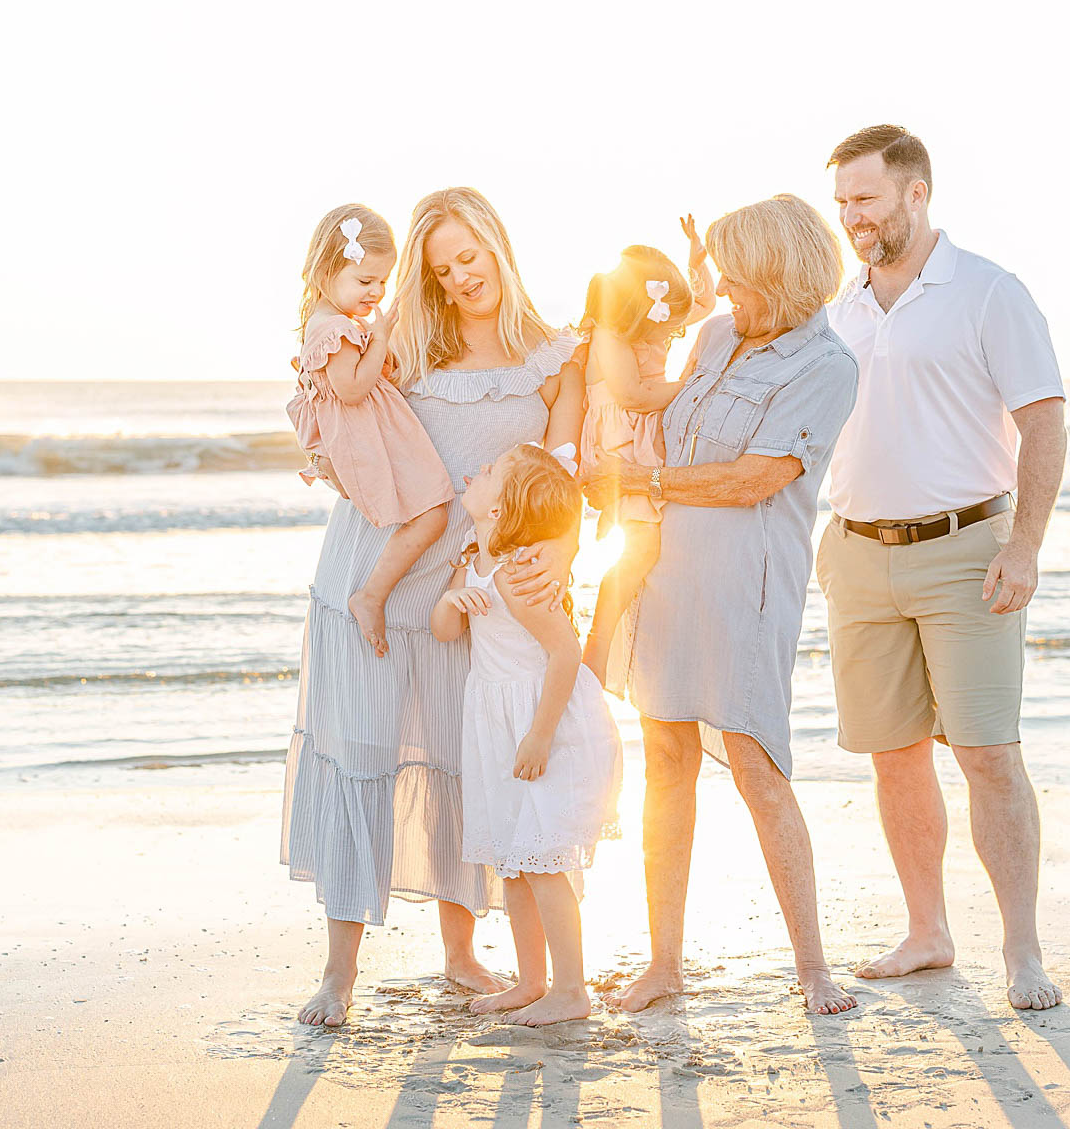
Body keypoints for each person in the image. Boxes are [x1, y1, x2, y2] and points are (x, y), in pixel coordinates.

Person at [282, 187, 585, 1029]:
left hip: (471, 598)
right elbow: (334, 414)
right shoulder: (403, 347)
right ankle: (339, 974)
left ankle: (460, 953)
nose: (460, 276)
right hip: (372, 573)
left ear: (498, 243)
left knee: (465, 770)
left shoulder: (558, 356)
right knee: (360, 764)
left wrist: (555, 560)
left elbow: (566, 484)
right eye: (441, 265)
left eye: (470, 254)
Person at [583, 194, 860, 1016]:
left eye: (741, 281)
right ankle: (663, 963)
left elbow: (759, 478)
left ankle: (814, 969)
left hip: (748, 586)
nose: (729, 294)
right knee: (665, 760)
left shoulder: (828, 365)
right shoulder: (714, 335)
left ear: (782, 274)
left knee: (755, 765)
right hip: (665, 574)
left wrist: (644, 481)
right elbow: (648, 397)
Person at [820, 125, 1068, 1011]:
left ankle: (1023, 952)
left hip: (968, 553)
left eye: (865, 199)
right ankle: (927, 932)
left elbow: (1044, 422)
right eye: (842, 200)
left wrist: (1026, 545)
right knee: (892, 756)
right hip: (854, 554)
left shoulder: (989, 292)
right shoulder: (836, 307)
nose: (850, 217)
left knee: (988, 755)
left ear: (915, 193)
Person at [434, 442, 622, 1027]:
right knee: (514, 862)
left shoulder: (520, 577)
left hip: (540, 723)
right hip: (496, 722)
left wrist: (539, 737)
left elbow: (566, 655)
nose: (475, 467)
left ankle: (571, 988)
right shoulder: (476, 565)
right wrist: (451, 600)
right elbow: (443, 631)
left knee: (543, 859)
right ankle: (531, 980)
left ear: (501, 509)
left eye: (487, 469)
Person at [286, 205, 454, 657]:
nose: (376, 292)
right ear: (325, 272)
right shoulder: (336, 329)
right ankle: (371, 596)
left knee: (432, 511)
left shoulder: (331, 323)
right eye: (365, 281)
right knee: (435, 513)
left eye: (382, 281)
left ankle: (375, 595)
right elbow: (353, 389)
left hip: (371, 430)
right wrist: (379, 340)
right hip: (370, 436)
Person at [577, 222, 715, 681]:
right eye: (665, 319)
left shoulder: (645, 327)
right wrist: (693, 386)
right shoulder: (609, 337)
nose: (672, 328)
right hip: (620, 452)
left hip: (642, 445)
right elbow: (634, 395)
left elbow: (704, 305)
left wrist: (698, 264)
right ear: (642, 309)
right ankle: (597, 646)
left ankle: (613, 645)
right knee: (640, 547)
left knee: (647, 545)